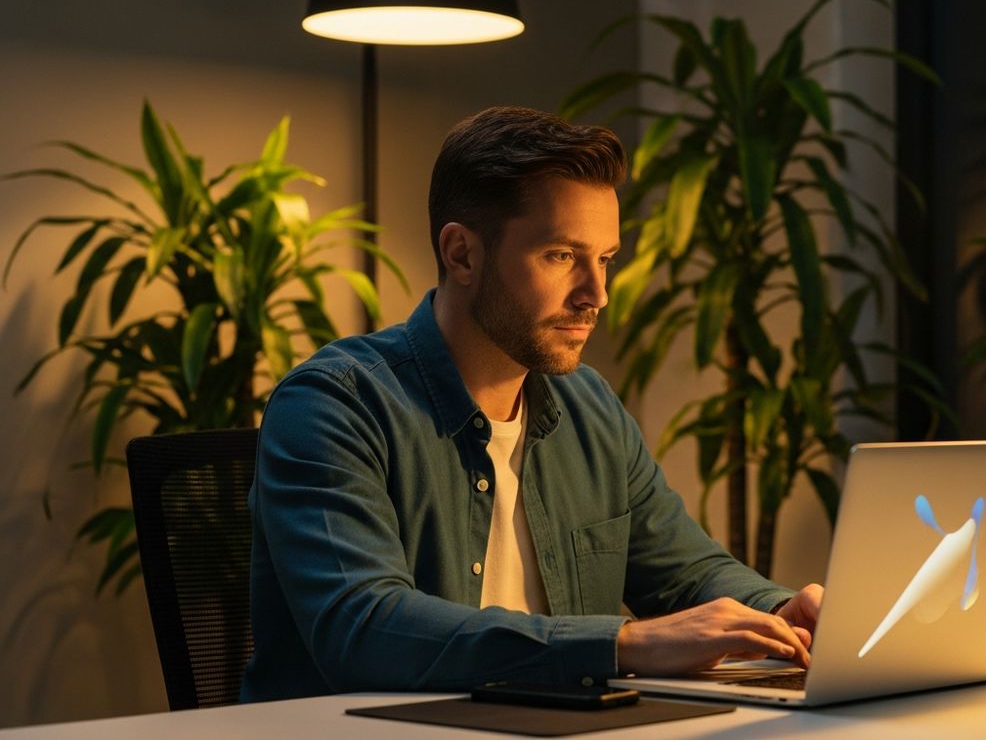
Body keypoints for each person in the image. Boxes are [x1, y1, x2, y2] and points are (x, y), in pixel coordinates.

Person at [239, 106, 825, 701]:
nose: (596, 295)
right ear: (462, 254)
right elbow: (363, 629)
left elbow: (688, 572)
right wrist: (621, 645)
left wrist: (783, 613)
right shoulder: (335, 405)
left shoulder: (588, 406)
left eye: (606, 260)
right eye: (562, 256)